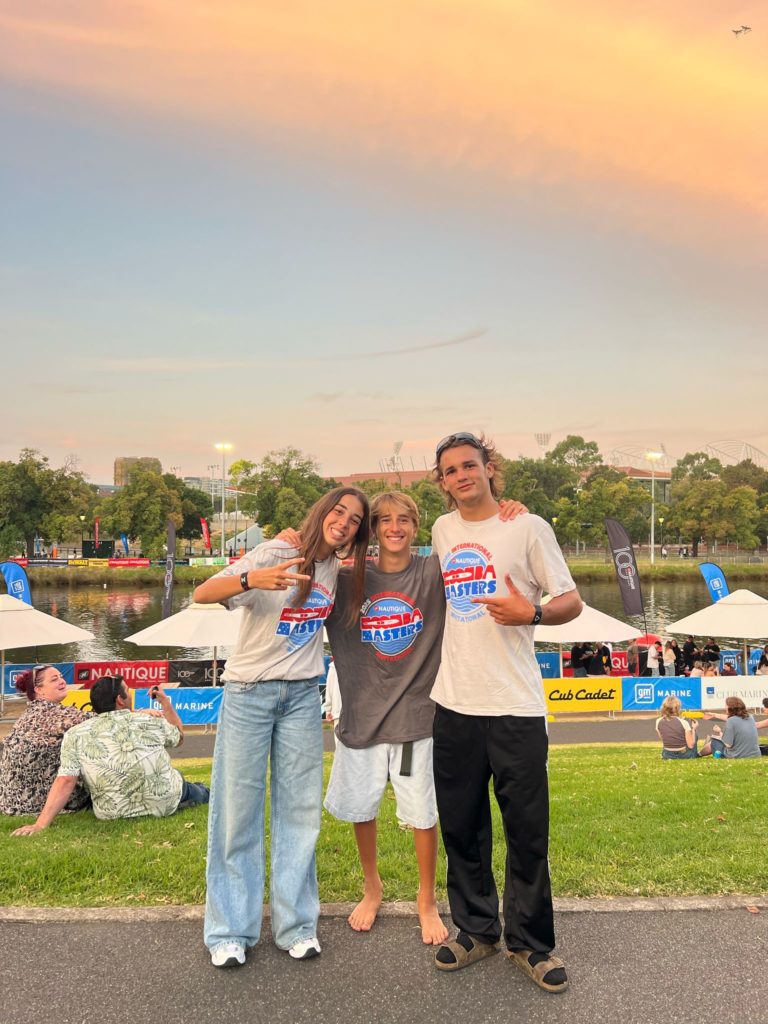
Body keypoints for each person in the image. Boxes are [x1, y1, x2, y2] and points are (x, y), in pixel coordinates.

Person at [282, 491, 525, 944]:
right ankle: (371, 887)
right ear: (372, 529)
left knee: (422, 814)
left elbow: (482, 553)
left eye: (404, 520)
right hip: (361, 721)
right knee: (362, 809)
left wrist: (509, 513)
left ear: (417, 525)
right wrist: (288, 540)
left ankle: (426, 898)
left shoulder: (434, 572)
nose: (395, 528)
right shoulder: (346, 578)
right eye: (385, 520)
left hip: (417, 720)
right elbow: (302, 570)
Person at [429, 432, 582, 993]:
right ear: (443, 482)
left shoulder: (528, 526)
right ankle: (476, 931)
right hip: (454, 703)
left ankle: (530, 943)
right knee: (462, 828)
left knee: (526, 831)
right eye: (450, 470)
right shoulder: (442, 530)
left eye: (470, 465)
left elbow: (571, 602)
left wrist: (532, 613)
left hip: (515, 705)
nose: (462, 476)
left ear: (489, 468)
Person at [193, 487, 369, 969]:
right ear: (322, 512)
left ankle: (297, 926)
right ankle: (230, 931)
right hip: (249, 694)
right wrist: (252, 577)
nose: (344, 522)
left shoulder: (336, 569)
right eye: (339, 512)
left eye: (355, 520)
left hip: (301, 697)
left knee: (300, 813)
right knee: (237, 812)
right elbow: (202, 592)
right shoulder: (275, 552)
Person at [11, 677, 208, 835]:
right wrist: (165, 703)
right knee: (198, 790)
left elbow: (65, 780)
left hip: (112, 812)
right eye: (128, 691)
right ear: (120, 700)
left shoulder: (75, 734)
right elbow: (179, 737)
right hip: (166, 800)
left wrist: (40, 824)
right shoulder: (149, 720)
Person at [0, 665, 91, 816]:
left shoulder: (29, 713)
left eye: (61, 677)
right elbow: (103, 721)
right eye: (54, 680)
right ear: (39, 690)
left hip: (11, 802)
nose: (62, 681)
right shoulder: (58, 715)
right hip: (37, 804)